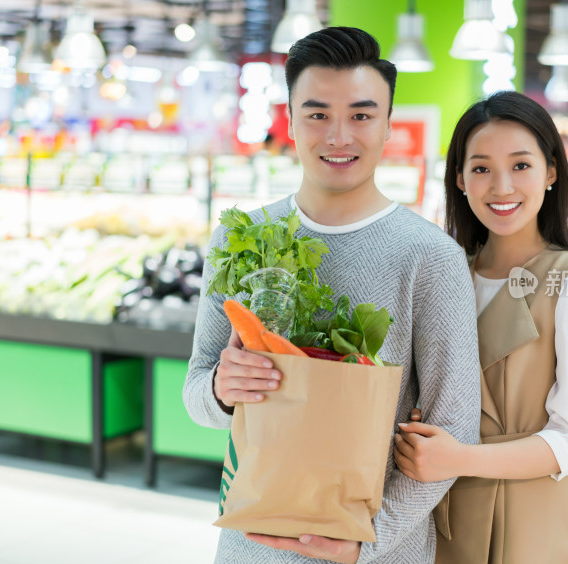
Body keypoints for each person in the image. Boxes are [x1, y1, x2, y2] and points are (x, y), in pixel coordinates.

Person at [183, 27, 481, 564]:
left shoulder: (431, 257)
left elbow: (453, 432)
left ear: (389, 126)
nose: (339, 136)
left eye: (362, 116)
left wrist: (368, 542)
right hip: (253, 544)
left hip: (376, 551)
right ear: (291, 121)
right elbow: (197, 393)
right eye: (317, 114)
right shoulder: (242, 237)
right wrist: (223, 389)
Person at [394, 91, 568, 563]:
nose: (501, 186)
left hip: (533, 520)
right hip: (439, 515)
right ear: (459, 179)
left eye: (520, 166)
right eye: (480, 168)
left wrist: (461, 458)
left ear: (551, 172)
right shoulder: (447, 273)